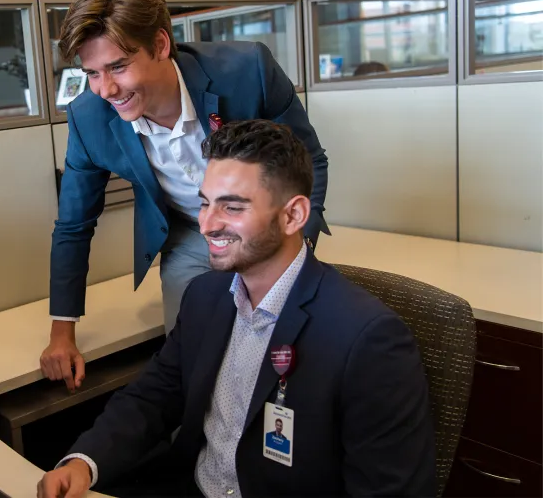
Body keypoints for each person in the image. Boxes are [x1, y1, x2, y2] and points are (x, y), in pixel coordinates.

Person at [37, 121, 435, 498]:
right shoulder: (205, 296)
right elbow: (153, 397)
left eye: (232, 208)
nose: (207, 225)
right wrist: (84, 463)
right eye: (205, 203)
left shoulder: (367, 339)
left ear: (293, 215)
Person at [41, 0, 329, 391]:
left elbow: (310, 159)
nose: (105, 89)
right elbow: (73, 223)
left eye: (118, 67)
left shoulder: (246, 71)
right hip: (189, 234)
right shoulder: (89, 117)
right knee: (191, 360)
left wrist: (296, 245)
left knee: (289, 352)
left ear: (160, 44)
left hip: (265, 224)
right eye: (92, 73)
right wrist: (61, 333)